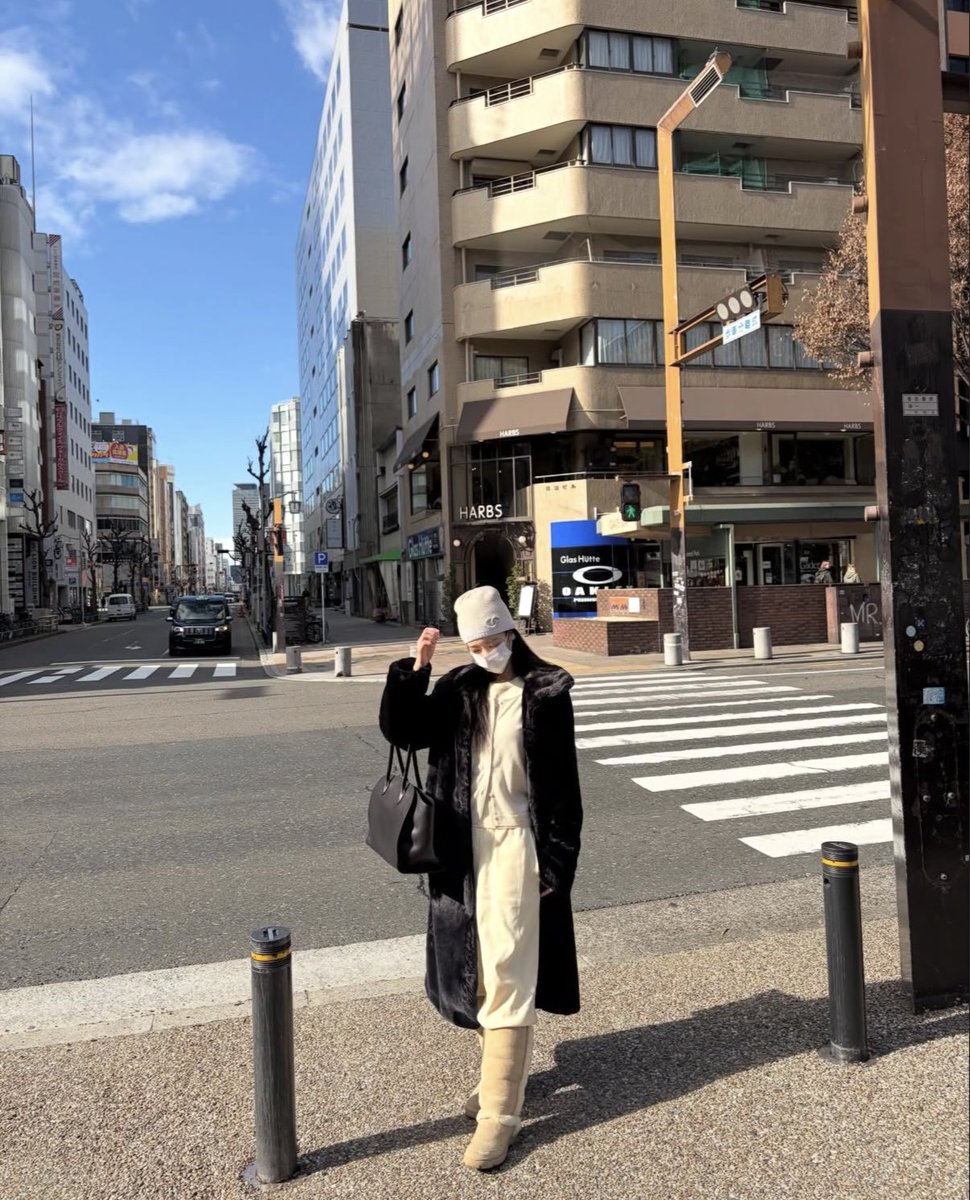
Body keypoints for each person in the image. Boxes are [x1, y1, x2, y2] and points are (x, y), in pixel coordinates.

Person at [379, 585, 583, 1171]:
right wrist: (412, 673)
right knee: (472, 971)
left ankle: (500, 1114)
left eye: (491, 641)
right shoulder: (457, 687)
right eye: (473, 645)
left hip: (520, 843)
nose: (483, 652)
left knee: (509, 968)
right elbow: (404, 732)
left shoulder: (547, 691)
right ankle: (500, 1079)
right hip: (461, 850)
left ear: (509, 633)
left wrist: (558, 863)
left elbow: (565, 791)